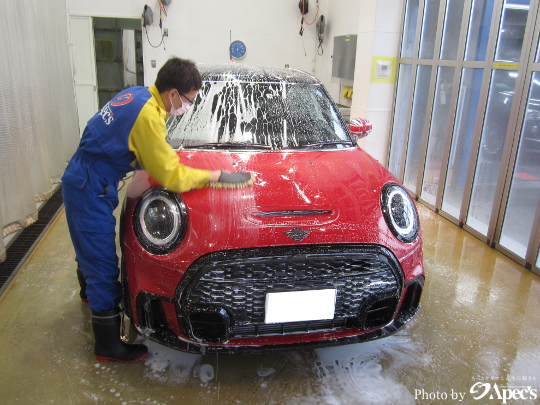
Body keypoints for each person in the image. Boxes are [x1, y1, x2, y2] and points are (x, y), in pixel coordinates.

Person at [62, 57, 251, 363]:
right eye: (188, 100)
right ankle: (108, 345)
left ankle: (88, 293)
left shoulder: (137, 95)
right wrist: (216, 176)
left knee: (88, 244)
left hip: (89, 174)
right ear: (173, 93)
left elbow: (114, 136)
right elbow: (172, 176)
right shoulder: (149, 117)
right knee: (101, 258)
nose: (187, 107)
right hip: (90, 184)